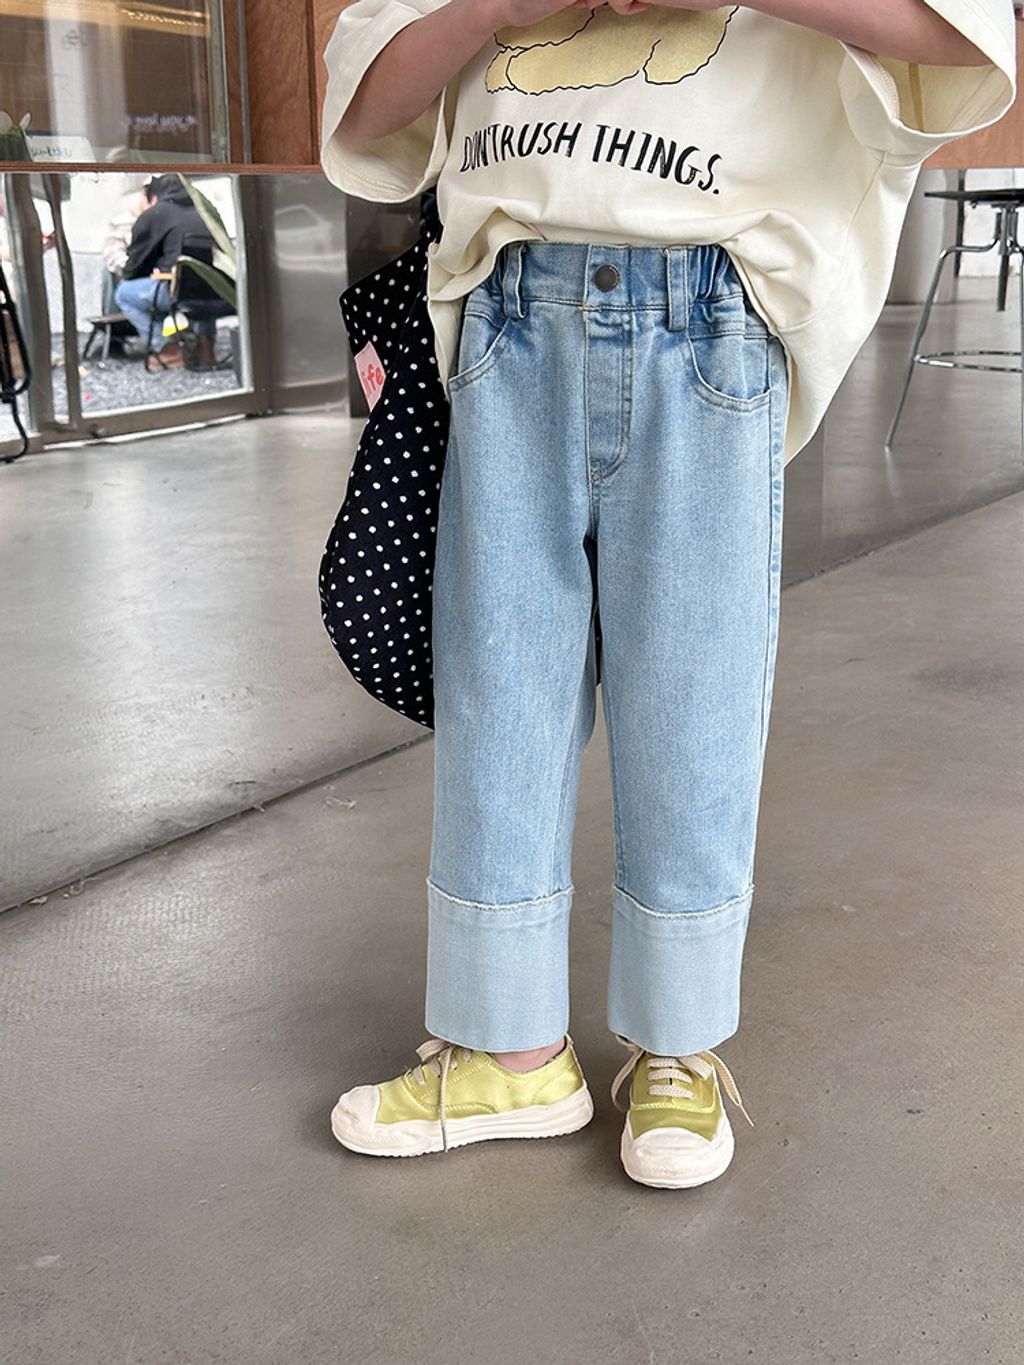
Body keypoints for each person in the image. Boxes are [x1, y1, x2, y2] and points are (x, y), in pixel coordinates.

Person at [319, 0, 1016, 1188]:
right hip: (506, 312)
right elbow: (370, 98)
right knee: (500, 696)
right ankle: (508, 1046)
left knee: (692, 703)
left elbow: (963, 35)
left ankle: (678, 1045)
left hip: (712, 312)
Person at [114, 173, 217, 371]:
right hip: (219, 295)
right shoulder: (204, 211)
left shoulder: (155, 214)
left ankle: (169, 349)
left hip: (179, 293)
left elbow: (133, 269)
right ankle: (207, 349)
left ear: (154, 197)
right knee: (204, 278)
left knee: (124, 294)